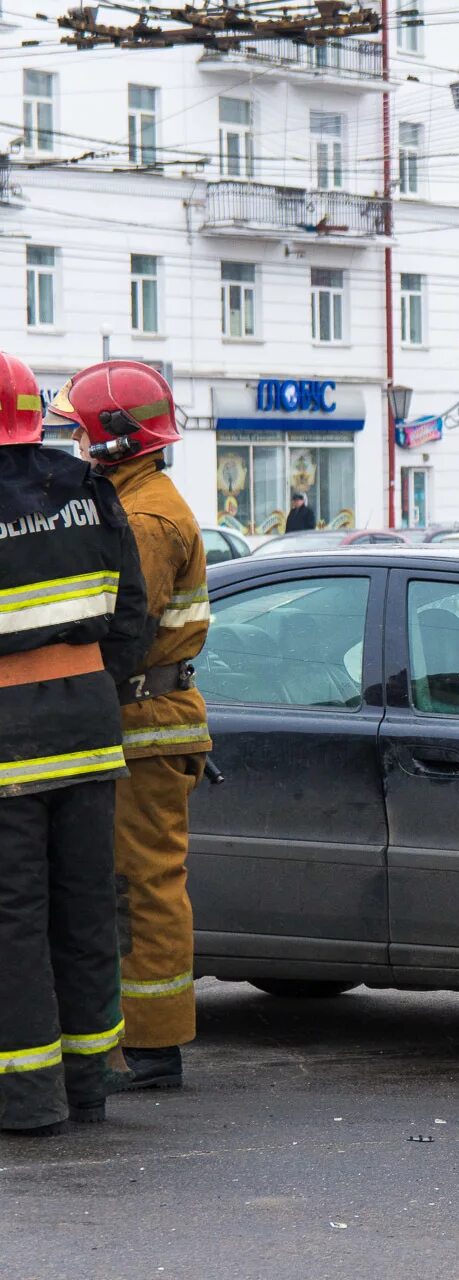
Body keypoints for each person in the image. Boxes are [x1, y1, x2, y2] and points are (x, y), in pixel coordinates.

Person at [48, 361, 211, 1094]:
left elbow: (122, 629)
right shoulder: (132, 499)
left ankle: (152, 1047)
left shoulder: (145, 517)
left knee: (142, 884)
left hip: (145, 722)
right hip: (142, 719)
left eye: (81, 431)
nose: (74, 442)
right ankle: (135, 1040)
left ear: (114, 439)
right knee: (126, 882)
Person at [0, 349, 149, 1135]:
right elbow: (133, 618)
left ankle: (26, 1099)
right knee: (85, 905)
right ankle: (88, 1084)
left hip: (9, 742)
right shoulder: (90, 488)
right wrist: (92, 686)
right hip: (90, 729)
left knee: (13, 916)